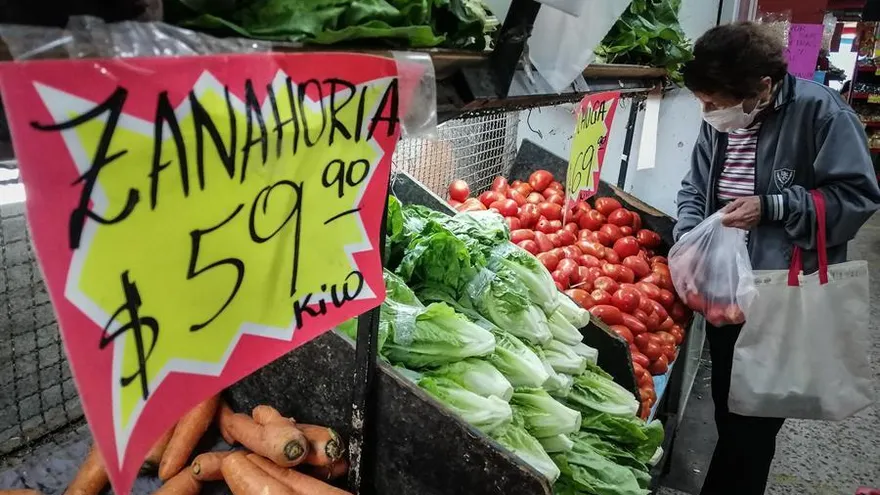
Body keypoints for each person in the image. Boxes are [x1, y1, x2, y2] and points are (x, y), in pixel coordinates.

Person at [674, 22, 880, 495]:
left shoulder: (822, 114)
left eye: (715, 101)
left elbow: (856, 197)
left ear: (762, 87)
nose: (707, 112)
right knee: (730, 407)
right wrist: (689, 237)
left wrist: (774, 206)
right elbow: (694, 188)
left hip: (784, 295)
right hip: (728, 291)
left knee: (755, 422)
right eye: (701, 102)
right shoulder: (722, 123)